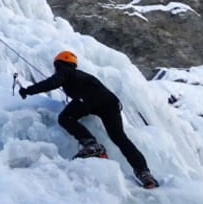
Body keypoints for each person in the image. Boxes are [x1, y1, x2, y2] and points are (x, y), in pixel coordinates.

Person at [18, 50, 159, 188]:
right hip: (110, 102)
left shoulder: (65, 71)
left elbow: (52, 82)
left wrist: (27, 90)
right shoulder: (82, 75)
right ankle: (143, 172)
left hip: (88, 98)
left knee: (65, 117)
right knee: (120, 138)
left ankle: (91, 144)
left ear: (59, 64)